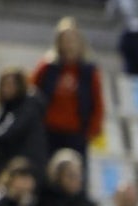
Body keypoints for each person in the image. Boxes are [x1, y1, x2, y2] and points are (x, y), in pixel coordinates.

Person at [31, 17, 105, 165]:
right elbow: (32, 93)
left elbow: (97, 103)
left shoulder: (89, 72)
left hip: (76, 133)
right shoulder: (47, 67)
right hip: (49, 131)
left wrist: (90, 131)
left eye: (72, 39)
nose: (69, 44)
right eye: (65, 39)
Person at [0, 68, 48, 182]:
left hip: (26, 167)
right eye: (4, 85)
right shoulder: (7, 108)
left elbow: (9, 133)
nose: (6, 89)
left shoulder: (28, 105)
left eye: (11, 84)